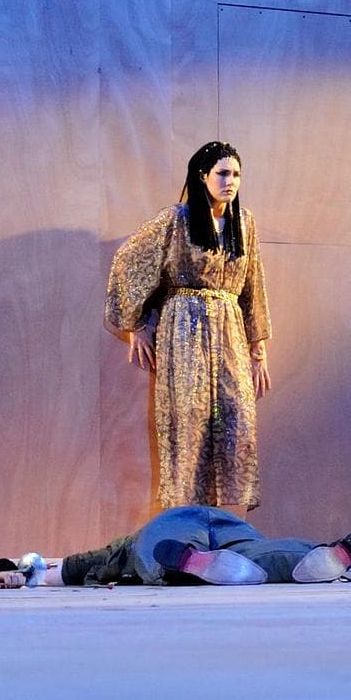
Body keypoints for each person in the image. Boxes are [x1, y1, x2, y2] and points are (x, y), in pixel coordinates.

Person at [108, 141, 271, 512]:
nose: (231, 181)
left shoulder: (244, 224)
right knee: (189, 419)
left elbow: (253, 285)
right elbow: (128, 261)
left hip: (229, 329)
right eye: (223, 173)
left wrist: (258, 347)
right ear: (203, 176)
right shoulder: (176, 220)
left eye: (236, 174)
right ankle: (187, 522)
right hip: (185, 328)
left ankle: (229, 524)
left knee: (236, 421)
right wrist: (136, 323)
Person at [60, 506, 351, 588]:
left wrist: (48, 573)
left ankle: (187, 568)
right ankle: (320, 554)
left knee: (155, 551)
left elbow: (78, 564)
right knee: (254, 552)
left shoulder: (126, 545)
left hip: (171, 522)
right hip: (225, 522)